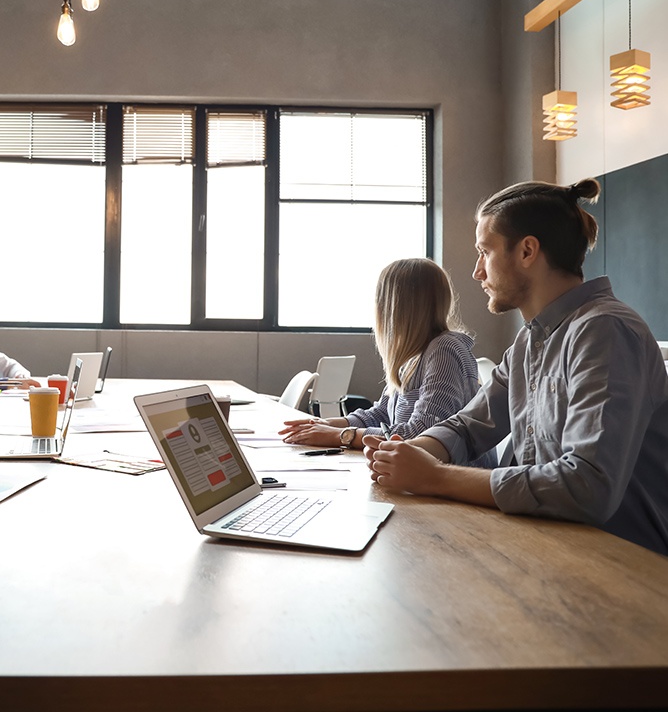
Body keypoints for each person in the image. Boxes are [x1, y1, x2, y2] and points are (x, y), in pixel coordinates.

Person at [365, 179, 668, 555]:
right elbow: (467, 426)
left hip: (624, 562)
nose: (477, 271)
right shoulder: (529, 342)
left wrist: (437, 477)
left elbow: (587, 487)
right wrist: (407, 451)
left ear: (527, 251)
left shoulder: (604, 330)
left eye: (484, 252)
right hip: (549, 543)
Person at [279, 258, 483, 459]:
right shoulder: (414, 354)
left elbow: (422, 434)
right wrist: (328, 425)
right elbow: (381, 414)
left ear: (392, 306)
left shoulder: (444, 349)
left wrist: (342, 436)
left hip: (450, 484)